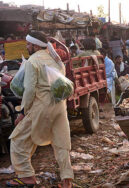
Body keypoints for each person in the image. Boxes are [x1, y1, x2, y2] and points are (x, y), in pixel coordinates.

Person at [6, 31, 74, 187]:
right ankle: (67, 181)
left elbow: (29, 90)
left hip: (42, 106)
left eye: (29, 44)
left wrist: (22, 113)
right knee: (61, 143)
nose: (27, 47)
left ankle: (27, 177)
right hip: (59, 106)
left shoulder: (32, 61)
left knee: (18, 140)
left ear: (36, 45)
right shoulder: (55, 59)